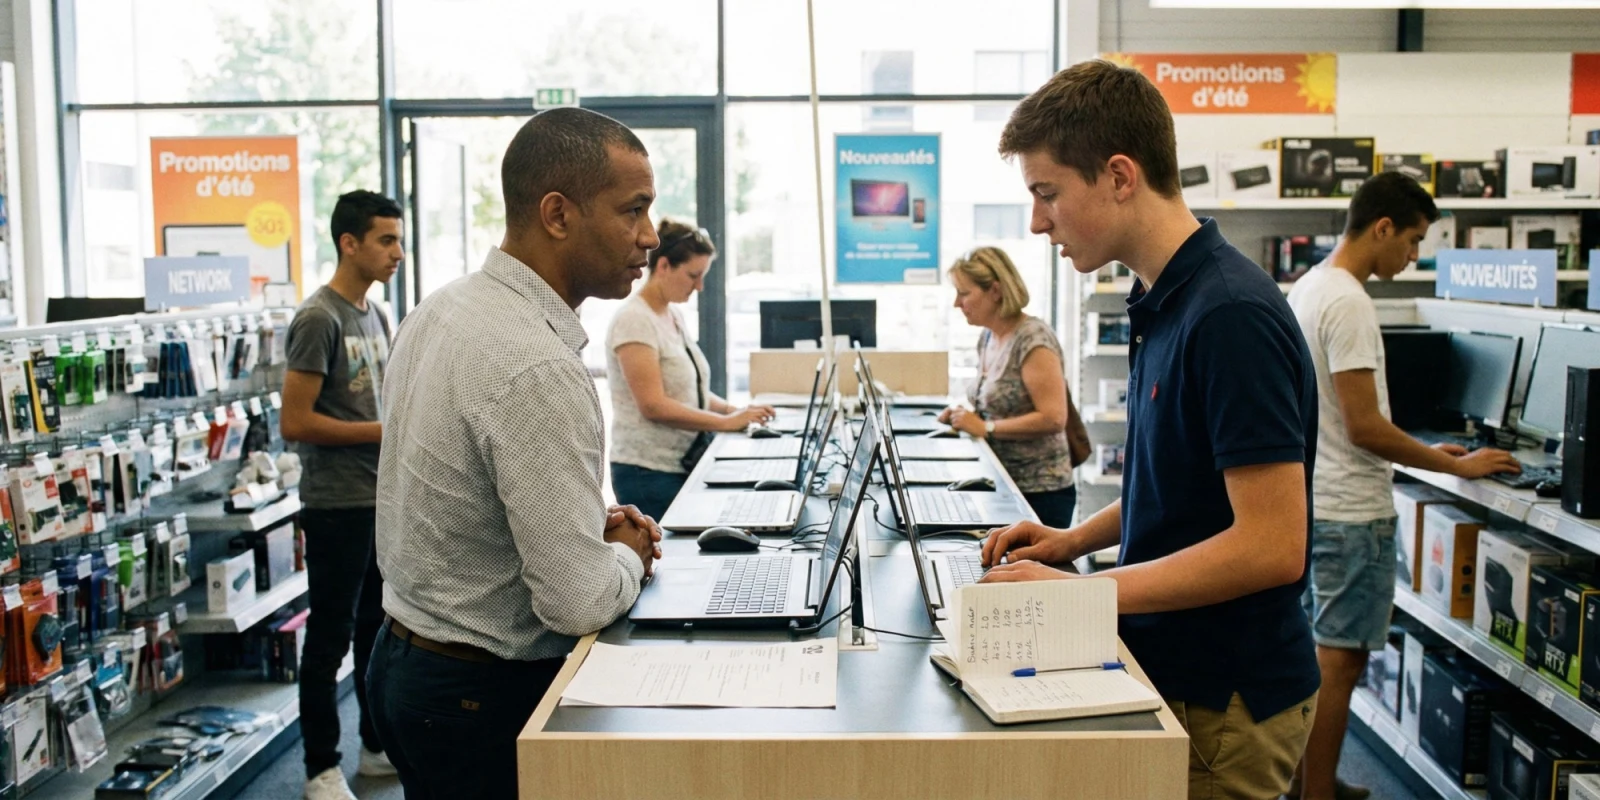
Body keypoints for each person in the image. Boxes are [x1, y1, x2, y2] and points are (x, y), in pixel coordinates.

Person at [979, 59, 1322, 800]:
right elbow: (1175, 488)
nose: (1038, 222)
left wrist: (1082, 596)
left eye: (1047, 194)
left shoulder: (1228, 315)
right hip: (1177, 668)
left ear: (1120, 176)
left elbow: (1271, 544)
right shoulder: (1163, 300)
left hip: (1227, 696)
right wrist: (1072, 543)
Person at [368, 107, 663, 800]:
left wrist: (583, 535)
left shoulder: (439, 309)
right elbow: (577, 602)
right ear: (558, 214)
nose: (649, 236)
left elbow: (467, 501)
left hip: (405, 662)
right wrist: (627, 555)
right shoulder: (536, 364)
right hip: (478, 694)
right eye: (633, 210)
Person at [1286, 172, 1520, 800]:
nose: (1413, 255)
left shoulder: (1308, 288)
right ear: (1382, 227)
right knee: (1340, 662)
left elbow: (1340, 418)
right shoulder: (1351, 302)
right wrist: (1457, 466)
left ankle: (1311, 781)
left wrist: (1420, 452)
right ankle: (1317, 796)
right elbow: (1365, 427)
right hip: (1352, 512)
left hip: (1315, 503)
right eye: (1412, 240)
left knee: (1316, 661)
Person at [282, 190, 403, 800]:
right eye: (386, 240)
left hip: (379, 499)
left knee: (375, 631)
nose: (397, 254)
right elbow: (296, 421)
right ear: (348, 243)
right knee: (329, 638)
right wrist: (386, 431)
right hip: (335, 505)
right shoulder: (319, 318)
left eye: (400, 240)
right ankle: (319, 768)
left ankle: (374, 748)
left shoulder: (373, 315)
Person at [606, 219, 776, 518]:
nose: (699, 286)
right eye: (693, 276)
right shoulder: (634, 320)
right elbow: (653, 406)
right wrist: (726, 423)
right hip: (647, 472)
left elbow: (689, 391)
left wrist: (736, 411)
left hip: (678, 464)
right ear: (664, 267)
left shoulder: (671, 315)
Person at [939, 246, 1083, 528]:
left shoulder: (1033, 339)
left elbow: (1054, 418)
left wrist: (987, 428)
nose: (957, 303)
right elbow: (997, 402)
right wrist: (963, 417)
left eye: (964, 293)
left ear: (995, 291)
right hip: (1003, 480)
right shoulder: (989, 337)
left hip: (1040, 491)